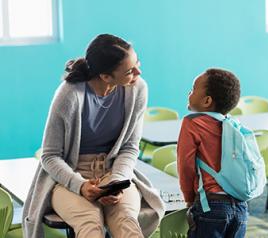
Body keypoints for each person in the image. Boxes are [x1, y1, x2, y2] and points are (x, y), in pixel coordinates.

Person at [22, 34, 165, 238]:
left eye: (137, 63)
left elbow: (129, 147)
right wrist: (80, 185)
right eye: (129, 70)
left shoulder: (137, 89)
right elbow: (50, 156)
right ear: (106, 76)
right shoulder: (69, 95)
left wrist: (116, 182)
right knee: (90, 224)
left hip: (113, 172)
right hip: (68, 177)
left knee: (127, 223)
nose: (138, 72)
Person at [177, 68, 247, 238]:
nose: (189, 93)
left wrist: (188, 197)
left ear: (207, 101)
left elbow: (186, 166)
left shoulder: (192, 123)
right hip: (240, 206)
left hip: (211, 205)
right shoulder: (233, 125)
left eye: (193, 89)